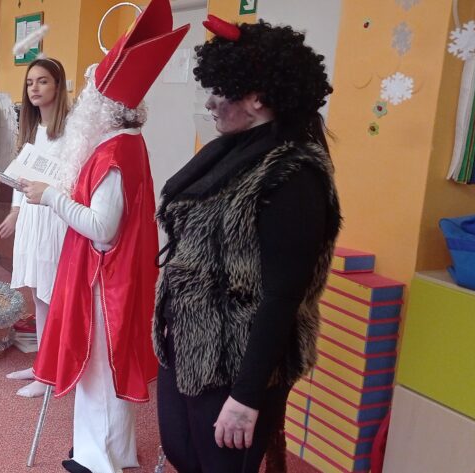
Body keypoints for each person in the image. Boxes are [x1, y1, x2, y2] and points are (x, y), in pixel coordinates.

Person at [153, 15, 342, 473]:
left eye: (220, 90)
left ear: (256, 97)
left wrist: (246, 396)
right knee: (182, 454)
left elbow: (284, 297)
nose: (210, 102)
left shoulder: (292, 175)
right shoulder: (227, 152)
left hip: (237, 362)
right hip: (187, 346)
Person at [23, 1, 189, 471]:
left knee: (101, 369)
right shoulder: (125, 144)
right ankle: (107, 451)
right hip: (112, 274)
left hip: (104, 278)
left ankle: (101, 460)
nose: (82, 105)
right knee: (107, 369)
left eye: (89, 97)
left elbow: (102, 228)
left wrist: (51, 197)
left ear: (104, 107)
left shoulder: (113, 154)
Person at [0, 57, 71, 398]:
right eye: (30, 83)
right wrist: (15, 212)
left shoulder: (69, 132)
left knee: (52, 294)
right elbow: (21, 175)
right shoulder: (31, 129)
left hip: (53, 218)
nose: (35, 88)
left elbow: (72, 179)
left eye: (42, 81)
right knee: (38, 294)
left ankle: (54, 371)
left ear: (58, 85)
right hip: (31, 216)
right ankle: (43, 363)